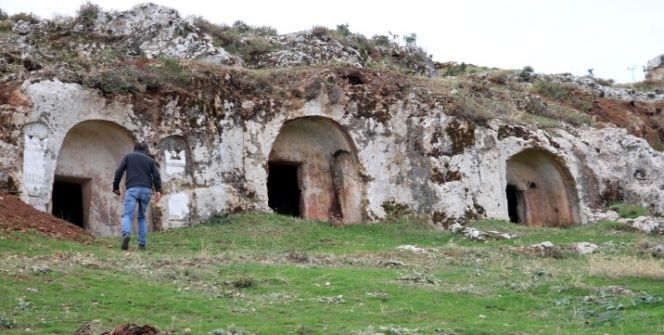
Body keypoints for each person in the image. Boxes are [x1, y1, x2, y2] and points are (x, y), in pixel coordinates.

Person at [112, 142, 162, 250]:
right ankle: (142, 244)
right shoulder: (150, 160)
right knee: (142, 217)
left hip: (132, 189)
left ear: (135, 149)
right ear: (145, 150)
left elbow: (119, 171)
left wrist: (115, 186)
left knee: (127, 215)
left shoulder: (129, 157)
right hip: (146, 190)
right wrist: (158, 190)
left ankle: (126, 234)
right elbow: (156, 175)